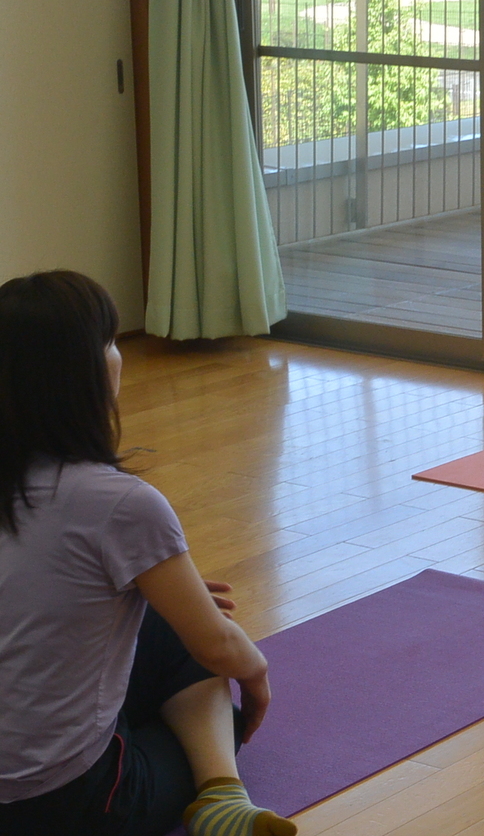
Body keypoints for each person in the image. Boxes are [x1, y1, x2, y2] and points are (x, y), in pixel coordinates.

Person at [0, 271, 295, 836]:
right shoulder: (120, 505)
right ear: (82, 374)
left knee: (164, 616)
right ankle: (221, 795)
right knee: (210, 679)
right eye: (111, 342)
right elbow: (217, 645)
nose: (119, 356)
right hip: (66, 804)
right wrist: (256, 677)